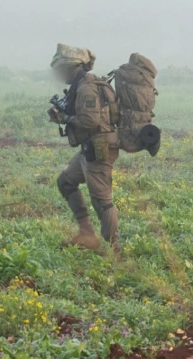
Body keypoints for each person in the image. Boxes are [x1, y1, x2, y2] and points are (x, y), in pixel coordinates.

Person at [47, 44, 121, 254]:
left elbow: (90, 120)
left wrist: (64, 118)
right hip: (89, 148)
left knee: (102, 200)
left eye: (61, 69)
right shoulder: (79, 85)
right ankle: (86, 234)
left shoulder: (86, 86)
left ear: (72, 67)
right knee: (66, 182)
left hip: (99, 148)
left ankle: (112, 250)